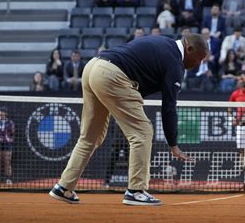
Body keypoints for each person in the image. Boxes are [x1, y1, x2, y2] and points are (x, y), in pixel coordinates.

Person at [49, 34, 208, 205]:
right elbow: (169, 107)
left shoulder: (162, 41)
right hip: (111, 75)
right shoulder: (175, 62)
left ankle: (64, 187)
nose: (199, 64)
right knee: (142, 132)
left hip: (92, 67)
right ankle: (136, 191)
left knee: (90, 137)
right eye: (199, 59)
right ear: (189, 49)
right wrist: (173, 145)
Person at [0, 107, 15, 186]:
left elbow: (13, 132)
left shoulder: (10, 122)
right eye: (0, 111)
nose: (1, 113)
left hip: (7, 143)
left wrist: (8, 139)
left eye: (3, 112)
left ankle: (8, 179)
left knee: (7, 161)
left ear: (6, 113)